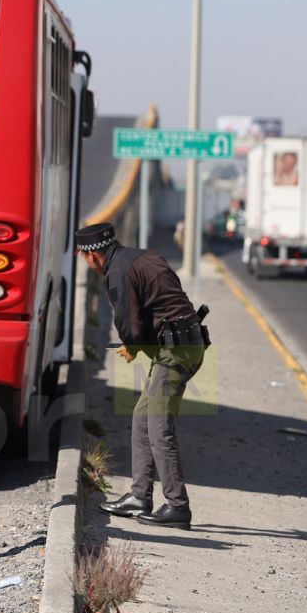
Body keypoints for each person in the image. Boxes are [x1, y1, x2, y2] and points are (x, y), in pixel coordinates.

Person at [76, 222, 209, 530]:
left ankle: (178, 506)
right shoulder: (140, 256)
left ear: (91, 256)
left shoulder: (117, 273)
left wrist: (131, 346)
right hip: (182, 345)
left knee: (159, 428)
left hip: (176, 352)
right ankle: (139, 496)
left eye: (84, 257)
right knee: (142, 417)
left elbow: (129, 324)